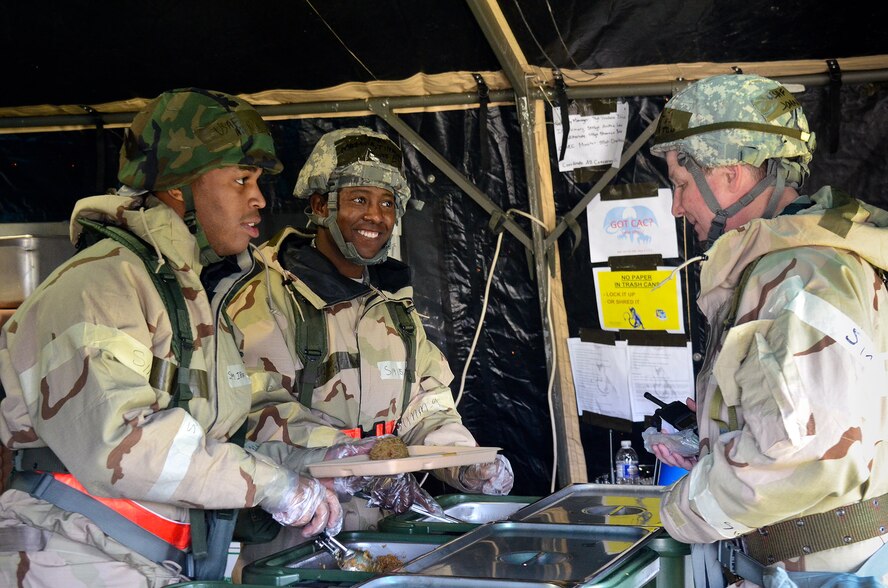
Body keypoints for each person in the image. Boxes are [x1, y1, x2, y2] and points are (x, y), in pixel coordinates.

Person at [0, 88, 354, 587]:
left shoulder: (192, 298)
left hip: (148, 562)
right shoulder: (100, 285)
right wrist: (275, 487)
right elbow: (121, 442)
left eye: (257, 182)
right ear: (177, 191)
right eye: (240, 180)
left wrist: (320, 458)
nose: (258, 199)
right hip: (69, 555)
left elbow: (225, 429)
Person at [648, 74, 888, 586]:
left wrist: (676, 512)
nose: (676, 206)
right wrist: (716, 426)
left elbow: (808, 454)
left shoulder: (803, 275)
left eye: (681, 184)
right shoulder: (809, 264)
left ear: (730, 176)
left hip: (820, 573)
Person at [228, 126, 514, 546]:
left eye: (387, 203)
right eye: (359, 199)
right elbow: (251, 412)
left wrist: (464, 462)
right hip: (298, 536)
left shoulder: (395, 307)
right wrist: (347, 461)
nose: (375, 216)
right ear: (319, 204)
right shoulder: (263, 299)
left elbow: (426, 405)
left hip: (386, 537)